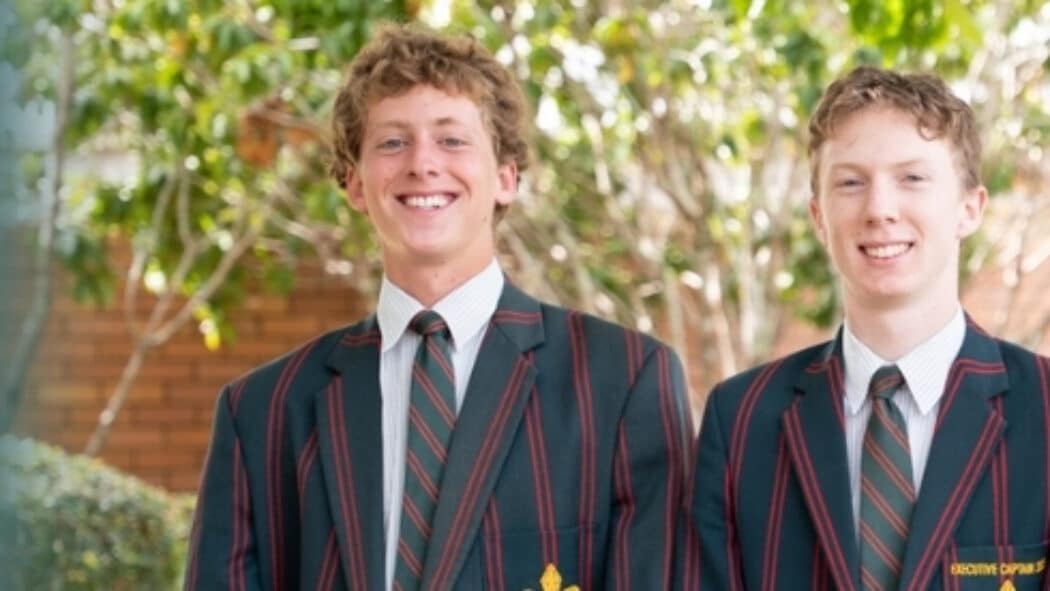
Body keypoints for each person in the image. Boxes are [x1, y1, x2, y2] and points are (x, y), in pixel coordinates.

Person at [185, 24, 693, 591]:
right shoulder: (262, 412)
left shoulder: (623, 382)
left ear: (505, 178)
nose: (422, 163)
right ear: (354, 184)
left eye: (452, 140)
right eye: (392, 142)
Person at [686, 65, 1050, 590]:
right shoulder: (740, 419)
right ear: (819, 217)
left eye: (912, 179)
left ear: (969, 209)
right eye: (851, 182)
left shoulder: (1044, 406)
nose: (880, 209)